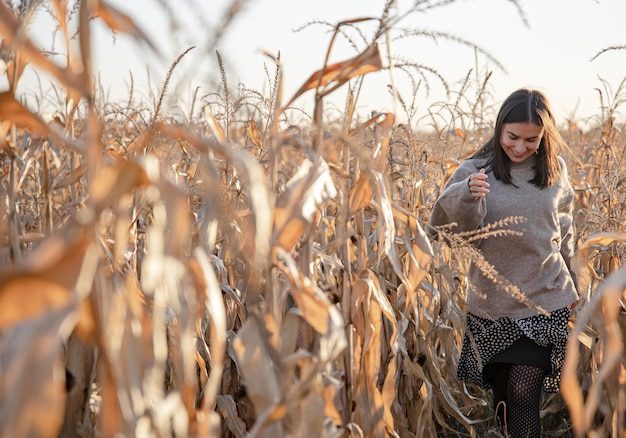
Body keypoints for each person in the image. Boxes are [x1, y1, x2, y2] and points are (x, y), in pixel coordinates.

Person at [427, 88, 579, 438]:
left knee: (524, 391)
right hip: (492, 302)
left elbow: (566, 228)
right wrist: (467, 195)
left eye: (532, 139)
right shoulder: (474, 171)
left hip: (545, 296)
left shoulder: (555, 171)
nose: (521, 147)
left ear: (544, 136)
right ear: (499, 129)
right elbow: (445, 230)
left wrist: (576, 283)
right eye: (513, 136)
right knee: (504, 397)